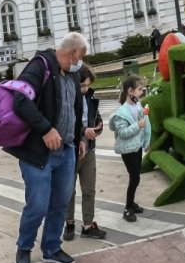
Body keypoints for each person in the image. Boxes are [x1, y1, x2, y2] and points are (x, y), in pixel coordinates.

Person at [7, 31, 87, 263]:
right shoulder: (40, 66)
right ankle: (24, 247)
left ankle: (52, 247)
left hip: (67, 150)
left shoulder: (72, 74)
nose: (81, 62)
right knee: (38, 204)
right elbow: (20, 100)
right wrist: (45, 129)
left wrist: (79, 135)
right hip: (39, 154)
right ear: (72, 53)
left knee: (61, 202)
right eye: (80, 56)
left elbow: (73, 108)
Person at [64, 65, 106, 241]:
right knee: (69, 191)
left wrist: (98, 127)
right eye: (82, 86)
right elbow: (67, 123)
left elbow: (96, 117)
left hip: (89, 150)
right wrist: (83, 130)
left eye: (87, 85)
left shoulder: (90, 97)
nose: (85, 89)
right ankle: (69, 223)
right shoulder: (69, 98)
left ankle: (88, 225)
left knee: (89, 190)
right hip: (72, 151)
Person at [110, 74, 151, 223]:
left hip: (137, 147)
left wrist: (146, 140)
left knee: (136, 176)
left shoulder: (137, 105)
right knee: (134, 178)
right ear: (130, 91)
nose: (142, 92)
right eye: (139, 89)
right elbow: (122, 133)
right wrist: (137, 125)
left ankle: (132, 203)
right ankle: (128, 208)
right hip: (128, 150)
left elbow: (144, 123)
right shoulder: (122, 112)